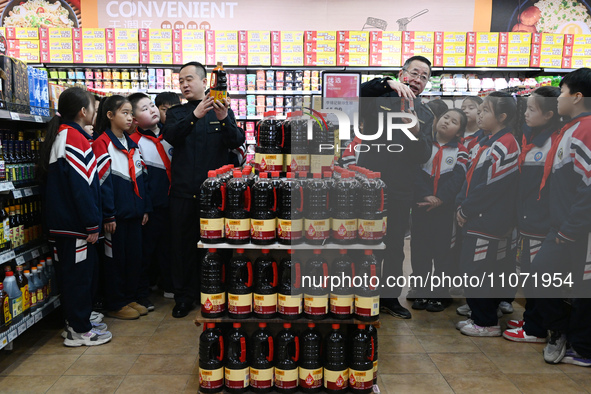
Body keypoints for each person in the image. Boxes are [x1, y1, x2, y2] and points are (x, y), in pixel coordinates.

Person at [163, 61, 245, 318]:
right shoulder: (177, 113)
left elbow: (237, 140)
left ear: (203, 81)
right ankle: (184, 297)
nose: (185, 84)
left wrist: (223, 120)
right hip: (183, 194)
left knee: (216, 247)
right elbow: (170, 135)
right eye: (181, 81)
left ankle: (216, 295)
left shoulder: (221, 110)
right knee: (182, 248)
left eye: (189, 79)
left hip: (216, 197)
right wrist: (195, 115)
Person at [358, 55, 434, 319]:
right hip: (367, 186)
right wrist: (385, 83)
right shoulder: (380, 98)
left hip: (401, 189)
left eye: (424, 77)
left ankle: (389, 298)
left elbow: (424, 154)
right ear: (402, 74)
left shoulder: (425, 113)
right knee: (363, 242)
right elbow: (357, 93)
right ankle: (359, 294)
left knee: (393, 246)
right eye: (414, 73)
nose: (418, 80)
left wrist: (412, 128)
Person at [39, 87, 111, 346]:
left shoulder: (63, 134)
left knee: (72, 276)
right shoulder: (74, 138)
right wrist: (92, 223)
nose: (95, 112)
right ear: (83, 111)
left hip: (63, 224)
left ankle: (75, 321)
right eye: (93, 106)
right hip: (75, 226)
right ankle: (79, 330)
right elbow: (83, 187)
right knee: (80, 278)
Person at [530, 68, 591, 366]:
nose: (558, 98)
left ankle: (580, 347)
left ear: (578, 97)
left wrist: (570, 229)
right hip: (564, 225)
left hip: (576, 229)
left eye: (563, 92)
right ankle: (562, 333)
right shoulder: (571, 127)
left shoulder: (585, 129)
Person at [455, 92, 520, 337]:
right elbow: (472, 180)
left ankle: (486, 322)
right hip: (479, 216)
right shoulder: (489, 140)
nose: (479, 114)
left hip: (488, 219)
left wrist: (467, 208)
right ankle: (480, 313)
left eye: (485, 110)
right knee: (476, 268)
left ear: (502, 116)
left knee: (477, 270)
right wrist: (463, 205)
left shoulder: (506, 143)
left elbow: (492, 186)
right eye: (479, 109)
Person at [502, 86, 562, 344]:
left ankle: (536, 328)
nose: (525, 114)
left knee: (537, 277)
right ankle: (530, 317)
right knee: (527, 273)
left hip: (540, 223)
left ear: (549, 114)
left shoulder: (551, 143)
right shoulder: (534, 137)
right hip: (527, 221)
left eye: (531, 109)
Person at [93, 95, 152, 320]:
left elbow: (142, 177)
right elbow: (102, 182)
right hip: (115, 216)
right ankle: (116, 302)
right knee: (115, 260)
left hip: (134, 214)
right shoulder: (102, 143)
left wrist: (145, 208)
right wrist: (108, 214)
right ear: (110, 116)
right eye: (124, 113)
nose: (130, 118)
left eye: (131, 113)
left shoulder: (132, 144)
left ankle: (129, 297)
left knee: (133, 258)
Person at [411, 109, 469, 312]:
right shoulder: (424, 145)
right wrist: (426, 195)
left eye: (454, 121)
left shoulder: (461, 151)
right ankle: (421, 291)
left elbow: (458, 179)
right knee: (420, 251)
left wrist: (440, 199)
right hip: (421, 207)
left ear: (459, 131)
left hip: (445, 211)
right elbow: (414, 173)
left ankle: (439, 294)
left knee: (443, 253)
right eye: (445, 117)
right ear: (437, 120)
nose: (447, 122)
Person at [129, 92, 174, 310]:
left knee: (169, 247)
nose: (153, 110)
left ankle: (169, 283)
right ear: (134, 120)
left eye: (152, 106)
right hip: (152, 205)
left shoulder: (171, 135)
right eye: (145, 109)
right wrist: (145, 207)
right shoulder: (134, 143)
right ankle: (142, 291)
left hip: (172, 202)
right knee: (146, 250)